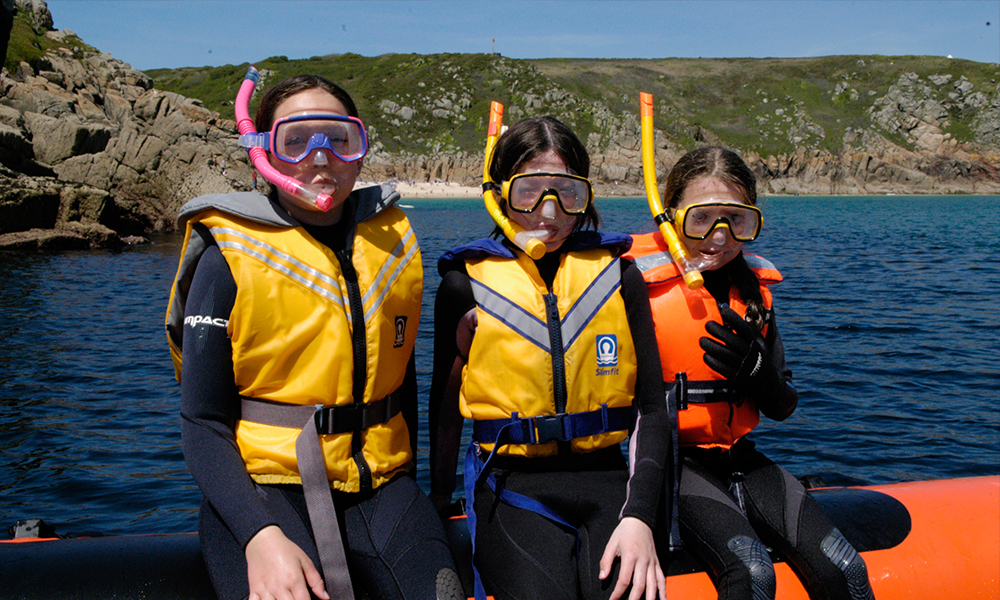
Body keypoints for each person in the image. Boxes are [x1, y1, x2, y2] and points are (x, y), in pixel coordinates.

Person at [165, 74, 461, 600]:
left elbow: (398, 385)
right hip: (267, 491)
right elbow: (202, 420)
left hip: (384, 487)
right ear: (264, 153)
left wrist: (418, 491)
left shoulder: (391, 242)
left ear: (359, 149)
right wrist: (258, 535)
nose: (320, 157)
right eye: (296, 140)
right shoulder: (227, 258)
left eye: (339, 139)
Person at [429, 115, 671, 600]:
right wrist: (437, 507)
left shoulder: (621, 279)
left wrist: (641, 516)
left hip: (607, 481)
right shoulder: (463, 286)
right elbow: (444, 407)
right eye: (529, 191)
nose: (550, 211)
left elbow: (651, 407)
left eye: (567, 193)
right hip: (510, 485)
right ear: (499, 195)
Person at [626, 146, 875, 600]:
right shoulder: (635, 285)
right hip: (673, 464)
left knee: (846, 568)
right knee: (754, 573)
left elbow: (783, 406)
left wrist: (759, 373)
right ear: (670, 216)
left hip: (742, 456)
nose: (719, 238)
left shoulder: (754, 291)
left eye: (736, 221)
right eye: (701, 219)